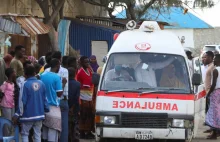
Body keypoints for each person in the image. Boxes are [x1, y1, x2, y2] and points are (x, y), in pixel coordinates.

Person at [12, 65, 49, 142]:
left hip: (27, 115)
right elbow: (45, 99)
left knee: (25, 134)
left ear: (25, 74)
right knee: (37, 134)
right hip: (39, 114)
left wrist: (17, 114)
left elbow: (22, 101)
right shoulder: (41, 83)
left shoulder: (24, 84)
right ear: (35, 73)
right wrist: (45, 110)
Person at [44, 51, 69, 142]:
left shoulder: (45, 72)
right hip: (60, 100)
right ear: (60, 60)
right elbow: (60, 92)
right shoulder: (64, 71)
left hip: (47, 102)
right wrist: (63, 83)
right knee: (61, 126)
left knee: (47, 126)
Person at [41, 59, 64, 142]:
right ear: (57, 65)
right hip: (53, 107)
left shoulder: (43, 75)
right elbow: (59, 94)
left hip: (43, 106)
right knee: (53, 130)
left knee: (45, 129)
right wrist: (63, 84)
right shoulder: (56, 77)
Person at [76, 56, 94, 139]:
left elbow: (93, 77)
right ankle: (83, 132)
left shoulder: (89, 70)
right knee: (84, 115)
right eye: (86, 62)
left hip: (89, 96)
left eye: (88, 62)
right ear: (82, 63)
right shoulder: (80, 72)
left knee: (89, 114)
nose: (88, 63)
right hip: (83, 98)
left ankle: (88, 131)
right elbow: (83, 84)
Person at [205, 54, 220, 139]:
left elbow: (213, 84)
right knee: (218, 111)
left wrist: (209, 93)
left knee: (214, 112)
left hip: (216, 92)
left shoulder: (215, 70)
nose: (213, 60)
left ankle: (214, 133)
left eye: (215, 59)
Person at [0, 68, 16, 135]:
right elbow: (1, 91)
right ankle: (6, 135)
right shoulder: (5, 83)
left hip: (12, 104)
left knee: (11, 119)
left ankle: (10, 134)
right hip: (6, 104)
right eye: (14, 72)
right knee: (7, 120)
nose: (15, 73)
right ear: (10, 74)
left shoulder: (13, 83)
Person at [68, 67, 80, 142]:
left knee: (68, 124)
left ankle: (68, 138)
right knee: (75, 123)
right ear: (75, 74)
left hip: (67, 106)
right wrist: (73, 108)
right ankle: (74, 138)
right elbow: (76, 97)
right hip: (74, 107)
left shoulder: (64, 83)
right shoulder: (77, 84)